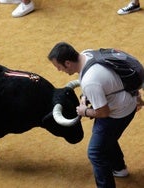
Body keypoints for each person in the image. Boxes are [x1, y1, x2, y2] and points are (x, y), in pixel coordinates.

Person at [48, 42, 142, 188]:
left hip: (119, 112)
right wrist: (86, 97)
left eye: (58, 66)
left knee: (95, 152)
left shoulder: (89, 81)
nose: (59, 70)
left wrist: (83, 111)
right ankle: (119, 168)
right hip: (126, 100)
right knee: (105, 137)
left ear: (67, 63)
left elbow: (103, 113)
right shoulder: (86, 54)